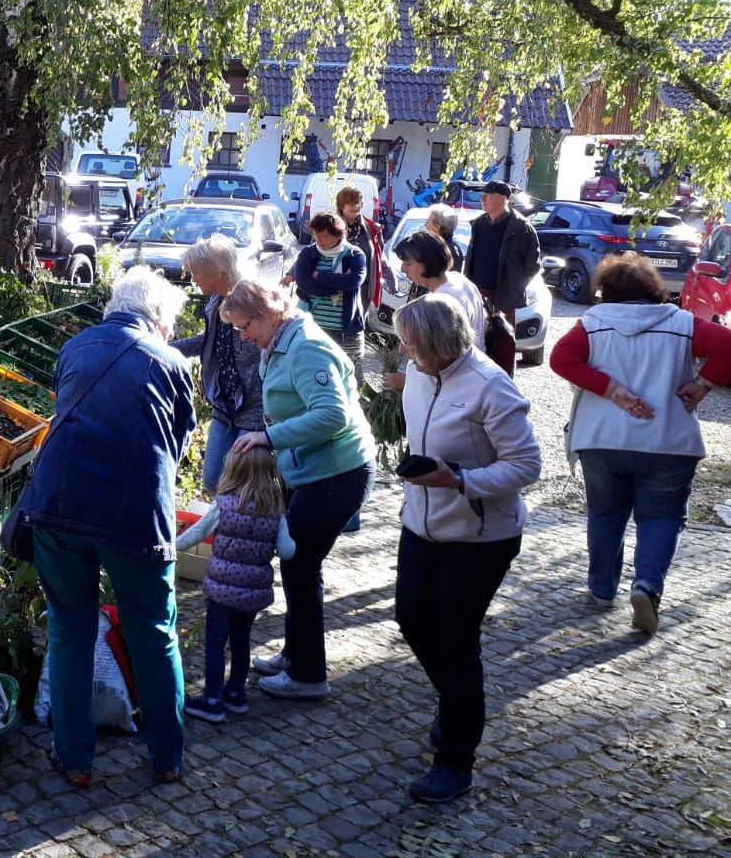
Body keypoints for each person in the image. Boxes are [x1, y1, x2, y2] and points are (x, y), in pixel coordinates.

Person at [10, 265, 197, 786]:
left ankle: (74, 760)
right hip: (133, 514)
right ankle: (166, 758)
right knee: (154, 634)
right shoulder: (173, 363)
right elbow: (177, 445)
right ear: (159, 318)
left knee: (69, 630)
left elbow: (66, 406)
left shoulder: (77, 348)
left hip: (59, 503)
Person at [393, 295, 541, 803]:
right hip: (421, 524)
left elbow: (526, 466)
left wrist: (458, 480)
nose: (404, 349)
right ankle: (456, 702)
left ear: (438, 342)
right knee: (412, 619)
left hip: (482, 535)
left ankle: (456, 759)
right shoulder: (418, 371)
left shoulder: (490, 386)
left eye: (412, 342)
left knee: (455, 637)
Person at [550, 253, 731, 634]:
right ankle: (647, 585)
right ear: (654, 289)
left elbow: (560, 358)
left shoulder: (592, 323)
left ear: (606, 290)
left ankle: (601, 590)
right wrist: (702, 385)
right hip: (669, 440)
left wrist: (611, 389)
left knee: (605, 514)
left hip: (602, 440)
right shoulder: (682, 323)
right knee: (662, 517)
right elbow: (727, 346)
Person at [222, 278, 376, 700]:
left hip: (337, 473)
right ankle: (296, 654)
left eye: (245, 325)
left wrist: (270, 439)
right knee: (299, 565)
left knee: (299, 565)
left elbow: (332, 416)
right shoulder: (281, 340)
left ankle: (308, 675)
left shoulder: (306, 345)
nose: (243, 336)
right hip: (308, 471)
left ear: (270, 312)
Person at [177, 445, 296, 724]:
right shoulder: (275, 512)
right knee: (242, 642)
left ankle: (212, 700)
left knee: (215, 644)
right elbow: (288, 551)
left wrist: (171, 548)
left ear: (232, 470)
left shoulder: (224, 504)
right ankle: (235, 694)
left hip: (221, 590)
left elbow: (198, 532)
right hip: (253, 593)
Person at [169, 236, 264, 492]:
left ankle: (250, 529)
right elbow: (210, 341)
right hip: (224, 404)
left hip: (255, 407)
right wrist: (164, 350)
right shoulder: (216, 301)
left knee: (245, 484)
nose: (194, 278)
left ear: (218, 272)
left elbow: (272, 349)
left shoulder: (253, 299)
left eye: (197, 272)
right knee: (213, 480)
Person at [290, 211, 368, 364]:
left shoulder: (354, 255)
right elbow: (304, 283)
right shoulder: (308, 253)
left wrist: (320, 276)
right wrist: (339, 285)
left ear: (339, 234)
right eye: (316, 236)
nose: (319, 241)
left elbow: (354, 281)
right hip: (313, 326)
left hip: (347, 329)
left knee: (352, 374)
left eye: (324, 236)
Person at [462, 179, 540, 321]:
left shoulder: (522, 228)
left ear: (503, 199)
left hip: (505, 299)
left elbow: (532, 266)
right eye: (482, 195)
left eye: (488, 195)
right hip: (477, 294)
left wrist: (514, 288)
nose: (482, 199)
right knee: (476, 339)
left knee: (503, 340)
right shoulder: (478, 224)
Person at [394, 231, 485, 348]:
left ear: (428, 262)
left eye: (408, 263)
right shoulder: (459, 280)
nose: (402, 269)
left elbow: (446, 353)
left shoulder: (446, 301)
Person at [334, 185, 383, 365]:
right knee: (337, 328)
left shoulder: (370, 227)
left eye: (358, 203)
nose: (355, 207)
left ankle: (354, 367)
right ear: (341, 206)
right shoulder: (330, 225)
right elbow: (313, 251)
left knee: (355, 329)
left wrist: (388, 279)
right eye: (350, 203)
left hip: (361, 288)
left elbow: (379, 256)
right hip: (336, 288)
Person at [425, 205, 464, 273]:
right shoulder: (433, 245)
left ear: (437, 227)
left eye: (427, 222)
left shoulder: (449, 251)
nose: (425, 225)